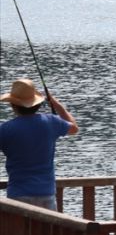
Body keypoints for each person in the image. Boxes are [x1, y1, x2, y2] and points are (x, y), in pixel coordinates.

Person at [0, 78, 79, 210]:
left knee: (20, 231)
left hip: (18, 194)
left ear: (13, 105)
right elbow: (74, 128)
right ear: (37, 104)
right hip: (46, 193)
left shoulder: (6, 129)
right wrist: (55, 103)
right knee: (47, 231)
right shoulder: (52, 122)